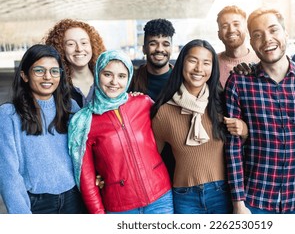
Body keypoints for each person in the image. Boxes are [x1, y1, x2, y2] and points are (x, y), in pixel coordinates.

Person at [224, 8, 295, 214]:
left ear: (286, 33)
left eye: (273, 30)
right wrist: (238, 202)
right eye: (258, 35)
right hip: (255, 200)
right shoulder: (239, 82)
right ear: (251, 43)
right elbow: (232, 146)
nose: (267, 39)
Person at [68, 49, 172, 214]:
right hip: (120, 207)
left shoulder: (143, 103)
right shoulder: (83, 122)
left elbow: (171, 134)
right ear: (97, 74)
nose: (114, 82)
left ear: (129, 77)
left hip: (161, 198)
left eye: (122, 76)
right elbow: (86, 179)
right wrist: (98, 214)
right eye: (107, 74)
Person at [0, 44, 86, 214]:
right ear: (24, 75)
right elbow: (8, 175)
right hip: (37, 203)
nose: (48, 77)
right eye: (39, 70)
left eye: (54, 71)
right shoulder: (8, 115)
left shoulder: (70, 107)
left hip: (74, 198)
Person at [150, 39, 232, 214]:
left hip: (222, 193)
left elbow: (246, 145)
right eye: (193, 60)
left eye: (206, 63)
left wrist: (245, 131)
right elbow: (148, 160)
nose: (199, 69)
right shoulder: (164, 112)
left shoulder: (223, 104)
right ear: (182, 63)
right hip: (184, 196)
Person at [129, 18, 176, 182]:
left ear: (171, 47)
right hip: (141, 164)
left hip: (177, 164)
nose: (160, 49)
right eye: (153, 43)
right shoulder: (130, 81)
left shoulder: (183, 80)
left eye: (165, 43)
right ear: (144, 48)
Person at [44, 18, 106, 108]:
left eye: (84, 43)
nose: (79, 49)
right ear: (60, 49)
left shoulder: (107, 80)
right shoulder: (55, 86)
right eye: (71, 44)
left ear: (93, 46)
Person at [216, 5, 259, 88]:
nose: (231, 30)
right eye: (225, 26)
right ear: (219, 34)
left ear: (246, 30)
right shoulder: (212, 62)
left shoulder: (261, 61)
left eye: (236, 24)